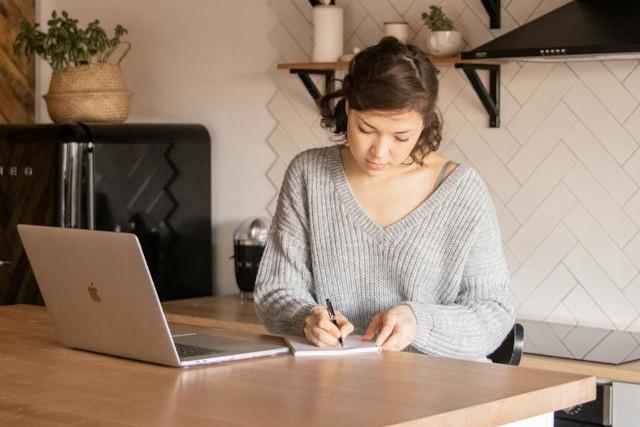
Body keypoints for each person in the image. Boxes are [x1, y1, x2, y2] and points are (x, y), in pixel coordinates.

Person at [254, 37, 514, 361]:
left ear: (424, 124)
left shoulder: (462, 190)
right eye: (366, 129)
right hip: (334, 385)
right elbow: (276, 291)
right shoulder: (309, 175)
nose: (379, 151)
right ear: (348, 108)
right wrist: (306, 318)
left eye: (400, 136)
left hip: (442, 390)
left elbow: (494, 313)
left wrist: (419, 321)